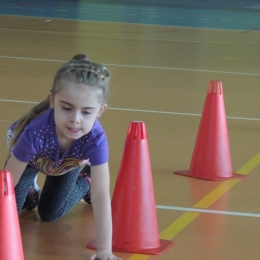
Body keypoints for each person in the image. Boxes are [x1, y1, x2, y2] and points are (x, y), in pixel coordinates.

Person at [4, 54, 122, 260]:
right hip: (31, 161)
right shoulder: (35, 132)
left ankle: (86, 181)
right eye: (66, 108)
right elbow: (6, 185)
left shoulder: (96, 140)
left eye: (86, 112)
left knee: (50, 213)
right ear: (52, 101)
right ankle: (30, 187)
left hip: (67, 165)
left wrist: (104, 250)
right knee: (11, 209)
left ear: (100, 111)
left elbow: (102, 197)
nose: (75, 120)